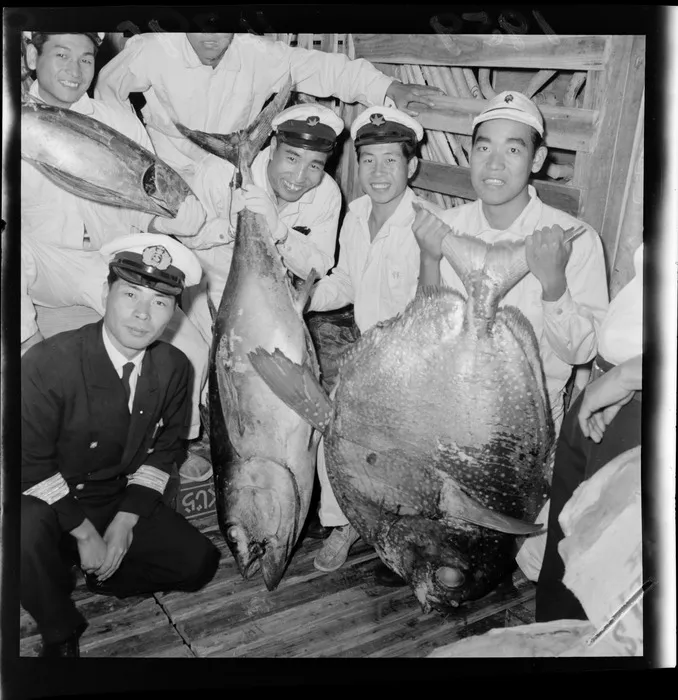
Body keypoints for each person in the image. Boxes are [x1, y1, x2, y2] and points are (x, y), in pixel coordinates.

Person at [408, 90, 610, 587]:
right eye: (483, 147)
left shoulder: (572, 237)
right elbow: (424, 329)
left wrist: (554, 283)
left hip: (532, 432)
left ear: (538, 158)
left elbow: (582, 351)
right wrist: (431, 260)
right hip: (452, 418)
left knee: (535, 569)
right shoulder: (445, 229)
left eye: (514, 149)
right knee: (453, 569)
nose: (494, 163)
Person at [21, 233, 222, 658]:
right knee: (20, 532)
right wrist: (84, 533)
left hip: (113, 495)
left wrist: (124, 523)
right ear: (105, 292)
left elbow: (165, 451)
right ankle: (59, 631)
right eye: (130, 293)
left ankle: (102, 573)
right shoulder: (48, 363)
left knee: (198, 563)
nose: (142, 314)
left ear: (173, 312)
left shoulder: (173, 366)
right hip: (48, 499)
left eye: (160, 302)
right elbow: (30, 463)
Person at [21, 32, 209, 468]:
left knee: (191, 350)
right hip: (41, 258)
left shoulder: (116, 119)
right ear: (32, 55)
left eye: (86, 59)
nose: (74, 70)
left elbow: (137, 205)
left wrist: (166, 221)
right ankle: (26, 346)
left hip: (109, 258)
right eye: (61, 55)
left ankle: (176, 446)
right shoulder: (12, 118)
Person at [94, 32, 443, 214]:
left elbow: (320, 67)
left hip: (228, 177)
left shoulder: (257, 54)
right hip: (165, 174)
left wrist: (386, 86)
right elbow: (108, 95)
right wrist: (139, 155)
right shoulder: (152, 49)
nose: (210, 36)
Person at [305, 105, 426, 573]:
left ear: (411, 165)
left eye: (390, 160)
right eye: (368, 159)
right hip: (366, 358)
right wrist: (306, 297)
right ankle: (343, 525)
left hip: (408, 368)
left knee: (385, 454)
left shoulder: (423, 226)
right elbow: (346, 282)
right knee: (330, 433)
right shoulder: (356, 214)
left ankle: (387, 525)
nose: (377, 172)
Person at [535, 242, 643, 622]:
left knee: (601, 568)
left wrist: (629, 376)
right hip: (613, 388)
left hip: (635, 397)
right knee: (565, 550)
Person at [180, 102, 345, 345]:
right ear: (273, 147)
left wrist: (282, 233)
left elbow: (318, 268)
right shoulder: (218, 172)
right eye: (292, 158)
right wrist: (229, 228)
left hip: (275, 301)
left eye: (314, 165)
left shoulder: (326, 193)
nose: (299, 177)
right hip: (208, 294)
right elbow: (186, 236)